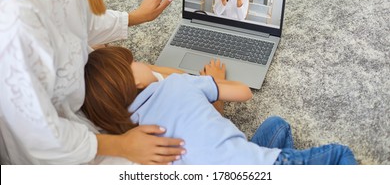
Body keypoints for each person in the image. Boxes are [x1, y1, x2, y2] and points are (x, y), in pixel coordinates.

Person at [0, 0, 185, 165]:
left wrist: (137, 16)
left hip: (79, 114)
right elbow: (38, 138)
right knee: (173, 159)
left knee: (171, 103)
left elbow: (83, 22)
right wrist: (124, 145)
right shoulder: (16, 20)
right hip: (54, 152)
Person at [83, 46, 358, 165]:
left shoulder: (130, 134)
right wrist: (212, 81)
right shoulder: (177, 84)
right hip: (255, 169)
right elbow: (243, 93)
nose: (142, 62)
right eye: (135, 62)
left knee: (277, 126)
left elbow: (208, 123)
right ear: (137, 81)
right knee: (338, 154)